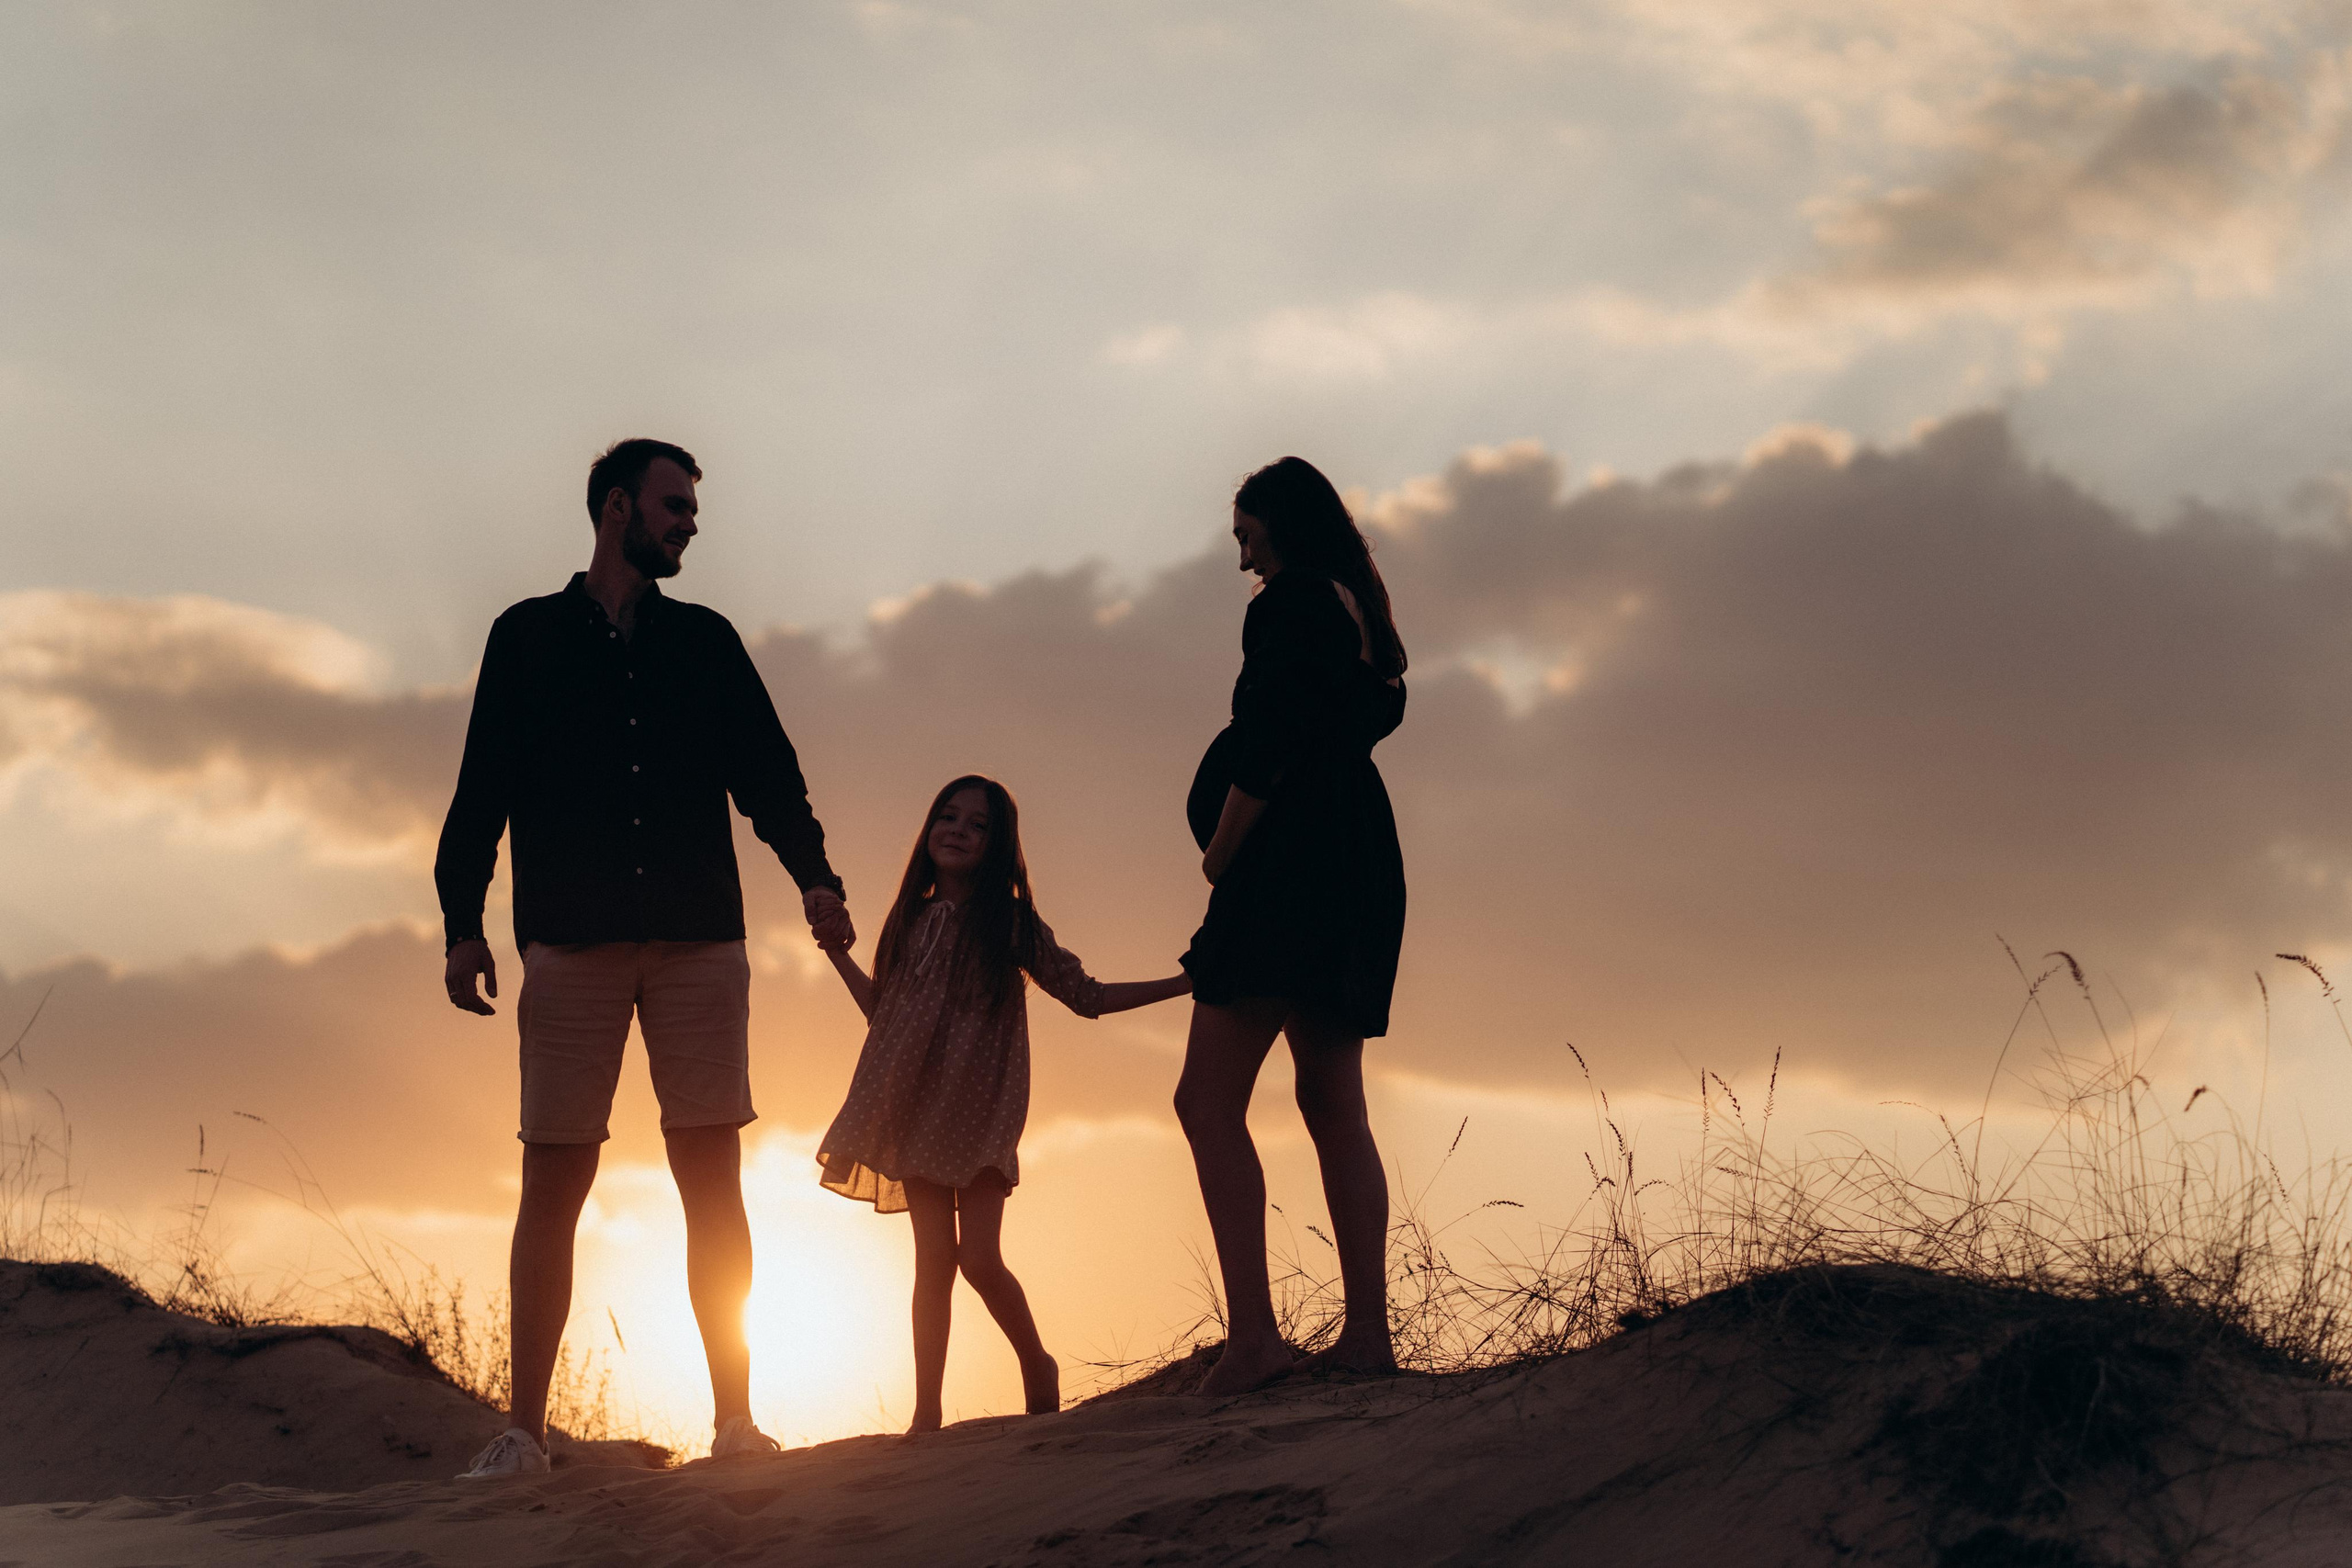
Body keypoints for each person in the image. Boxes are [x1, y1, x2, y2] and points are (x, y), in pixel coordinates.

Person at [435, 437, 854, 1477]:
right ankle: (524, 1433)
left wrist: (815, 874)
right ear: (617, 507)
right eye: (675, 507)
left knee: (711, 1178)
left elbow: (769, 772)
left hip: (698, 942)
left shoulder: (705, 641)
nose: (689, 525)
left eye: (692, 511)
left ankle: (735, 1421)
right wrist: (461, 922)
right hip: (570, 944)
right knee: (553, 1179)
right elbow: (483, 786)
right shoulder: (526, 636)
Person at [812, 774, 1191, 1432]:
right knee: (932, 1263)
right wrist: (840, 957)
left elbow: (1088, 995)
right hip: (915, 1107)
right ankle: (926, 1414)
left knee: (979, 1259)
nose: (958, 830)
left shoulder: (1010, 922)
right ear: (929, 829)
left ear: (998, 845)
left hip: (981, 1107)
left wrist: (1184, 983)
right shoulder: (909, 919)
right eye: (948, 816)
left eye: (977, 825)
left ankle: (1036, 1362)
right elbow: (885, 1013)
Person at [1174, 456, 1409, 1395]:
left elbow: (1267, 743)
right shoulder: (1362, 614)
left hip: (1285, 869)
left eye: (1246, 536)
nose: (1243, 560)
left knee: (1205, 1101)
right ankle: (1367, 1336)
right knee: (1332, 1101)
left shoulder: (1292, 603)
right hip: (1356, 866)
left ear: (1280, 521)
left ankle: (1255, 1340)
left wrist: (1220, 852)